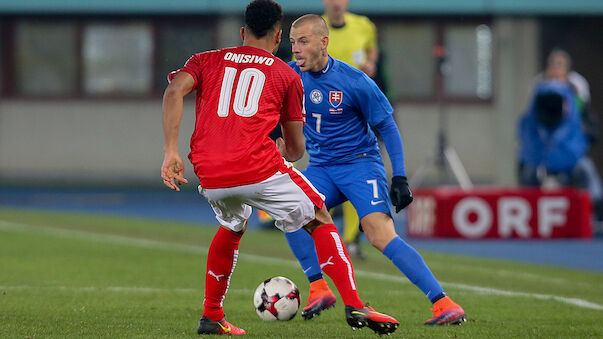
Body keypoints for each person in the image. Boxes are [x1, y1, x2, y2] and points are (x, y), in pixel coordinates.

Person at [161, 0, 399, 335]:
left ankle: (212, 315)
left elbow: (173, 91)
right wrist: (285, 151)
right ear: (278, 37)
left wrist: (171, 151)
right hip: (257, 167)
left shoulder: (205, 60)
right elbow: (295, 147)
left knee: (231, 226)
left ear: (242, 32)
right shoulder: (286, 74)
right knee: (319, 215)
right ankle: (355, 303)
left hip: (210, 173)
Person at [284, 14, 467, 326]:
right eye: (292, 43)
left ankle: (443, 303)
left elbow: (388, 128)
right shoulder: (287, 76)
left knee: (379, 234)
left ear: (323, 42)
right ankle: (318, 287)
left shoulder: (354, 81)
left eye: (303, 41)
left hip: (360, 165)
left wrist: (400, 176)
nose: (296, 49)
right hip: (322, 168)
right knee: (291, 210)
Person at [321, 0, 381, 259]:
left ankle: (350, 240)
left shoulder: (364, 25)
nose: (336, 3)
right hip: (324, 115)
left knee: (355, 177)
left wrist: (370, 65)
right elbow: (298, 66)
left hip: (356, 112)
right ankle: (324, 236)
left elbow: (371, 52)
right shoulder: (315, 28)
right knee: (326, 178)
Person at [518, 80, 602, 215]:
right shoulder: (532, 117)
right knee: (527, 171)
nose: (552, 106)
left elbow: (587, 139)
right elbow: (526, 142)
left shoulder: (576, 115)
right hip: (538, 164)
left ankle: (595, 209)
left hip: (570, 164)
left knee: (586, 167)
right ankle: (529, 210)